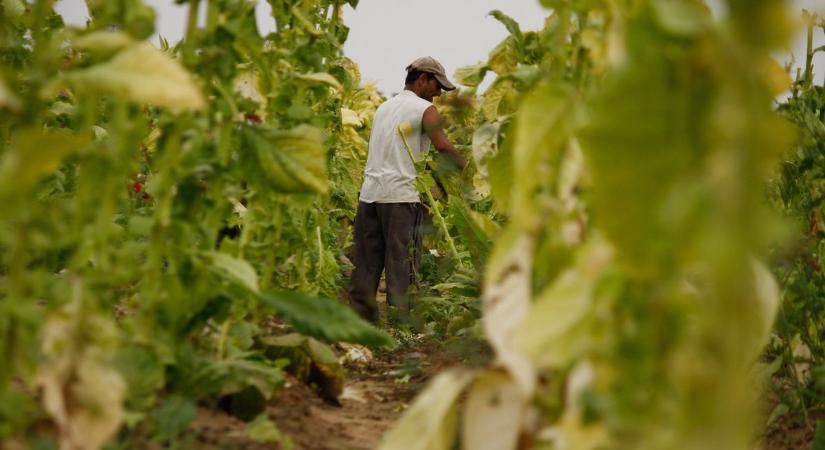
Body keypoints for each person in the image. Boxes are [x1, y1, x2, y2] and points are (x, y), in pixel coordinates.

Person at [348, 56, 466, 324]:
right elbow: (443, 146)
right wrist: (467, 167)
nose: (437, 95)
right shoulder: (424, 109)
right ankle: (403, 326)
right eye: (437, 87)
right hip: (401, 197)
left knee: (366, 263)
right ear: (423, 79)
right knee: (403, 264)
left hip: (370, 195)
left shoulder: (384, 108)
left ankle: (359, 323)